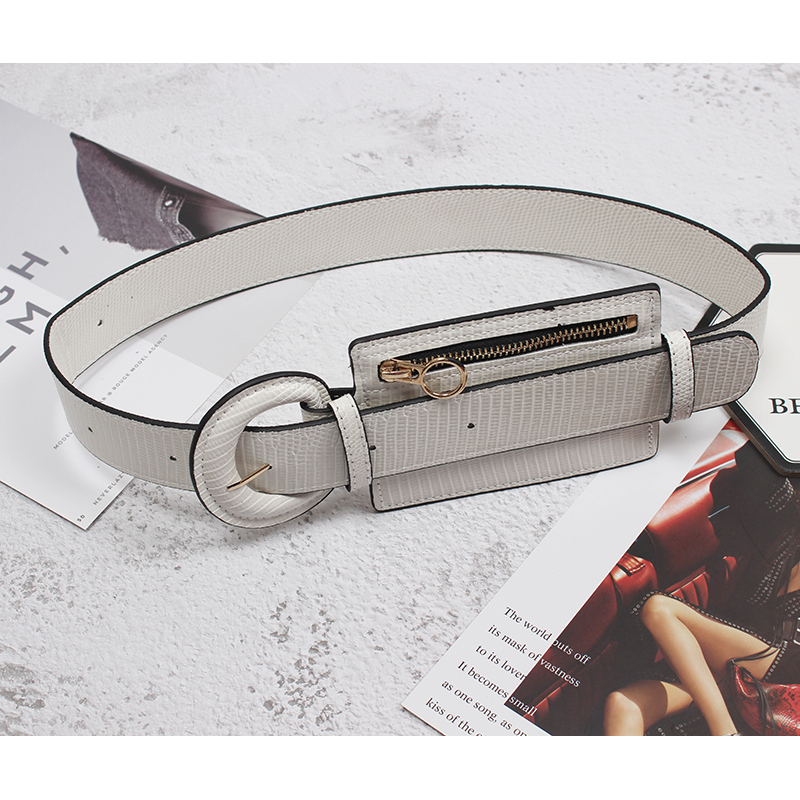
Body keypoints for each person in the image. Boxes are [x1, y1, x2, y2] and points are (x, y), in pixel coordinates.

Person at [603, 442, 800, 736]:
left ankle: (725, 733)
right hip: (725, 661)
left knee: (659, 609)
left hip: (781, 672)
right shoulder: (784, 524)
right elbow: (752, 456)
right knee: (622, 704)